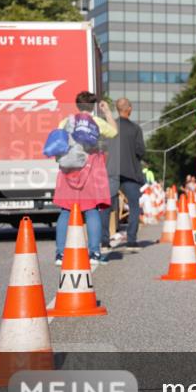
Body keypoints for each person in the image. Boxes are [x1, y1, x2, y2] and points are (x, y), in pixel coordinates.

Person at [53, 92, 117, 269]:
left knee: (66, 210)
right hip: (91, 169)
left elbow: (59, 142)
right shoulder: (96, 122)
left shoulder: (66, 122)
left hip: (69, 169)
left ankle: (60, 253)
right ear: (93, 106)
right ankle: (94, 253)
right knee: (91, 210)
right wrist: (108, 113)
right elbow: (114, 132)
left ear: (77, 105)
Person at [110, 97, 146, 252]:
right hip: (130, 172)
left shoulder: (110, 127)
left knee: (107, 206)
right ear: (129, 109)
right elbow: (140, 151)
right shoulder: (135, 129)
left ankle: (105, 240)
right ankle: (131, 240)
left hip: (111, 172)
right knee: (134, 207)